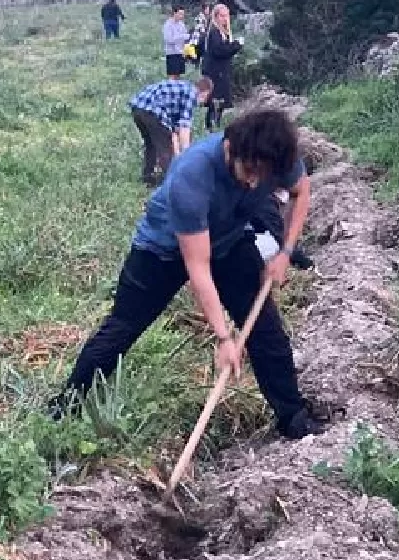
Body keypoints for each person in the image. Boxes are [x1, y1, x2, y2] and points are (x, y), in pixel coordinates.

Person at [49, 110, 329, 440]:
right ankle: (63, 408)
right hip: (163, 251)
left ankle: (293, 418)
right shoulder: (193, 176)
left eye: (263, 176)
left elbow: (301, 191)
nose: (254, 182)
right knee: (121, 330)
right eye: (249, 172)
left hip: (229, 241)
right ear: (232, 149)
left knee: (266, 331)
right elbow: (197, 266)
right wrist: (224, 339)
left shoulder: (274, 157)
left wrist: (284, 252)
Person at [129, 75, 214, 186]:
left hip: (138, 108)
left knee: (151, 144)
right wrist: (187, 155)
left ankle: (148, 178)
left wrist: (178, 151)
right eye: (206, 97)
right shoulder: (191, 94)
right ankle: (172, 183)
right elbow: (184, 129)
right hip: (152, 110)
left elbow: (174, 131)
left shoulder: (182, 90)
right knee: (166, 150)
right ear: (205, 92)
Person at [201, 2, 244, 131]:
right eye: (222, 16)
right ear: (216, 16)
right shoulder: (214, 32)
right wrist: (236, 45)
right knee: (215, 102)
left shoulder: (223, 32)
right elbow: (220, 51)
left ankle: (214, 127)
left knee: (219, 103)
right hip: (215, 73)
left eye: (226, 16)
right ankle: (210, 129)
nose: (225, 19)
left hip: (221, 72)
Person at [162, 6, 190, 79]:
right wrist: (181, 37)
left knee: (179, 75)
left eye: (183, 14)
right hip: (172, 53)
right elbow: (168, 39)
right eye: (180, 14)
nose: (182, 16)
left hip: (181, 52)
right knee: (172, 75)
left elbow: (186, 37)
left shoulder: (182, 24)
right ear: (175, 13)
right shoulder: (168, 25)